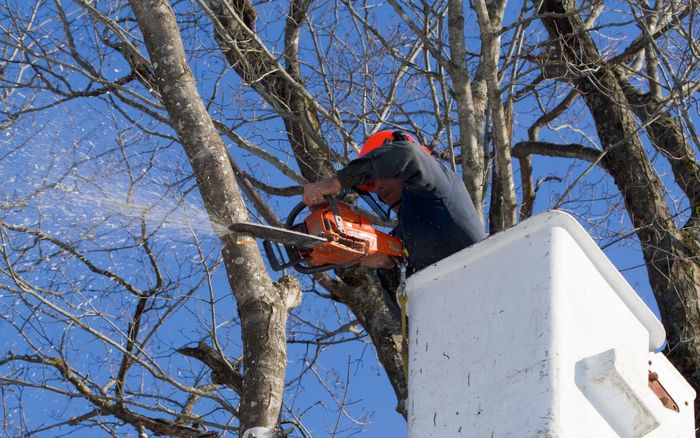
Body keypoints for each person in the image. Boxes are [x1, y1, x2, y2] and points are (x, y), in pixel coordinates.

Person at [303, 130, 487, 276]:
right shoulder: (402, 234)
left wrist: (339, 181)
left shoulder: (438, 186)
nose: (378, 187)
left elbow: (410, 155)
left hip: (484, 280)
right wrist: (373, 257)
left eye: (380, 176)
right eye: (370, 185)